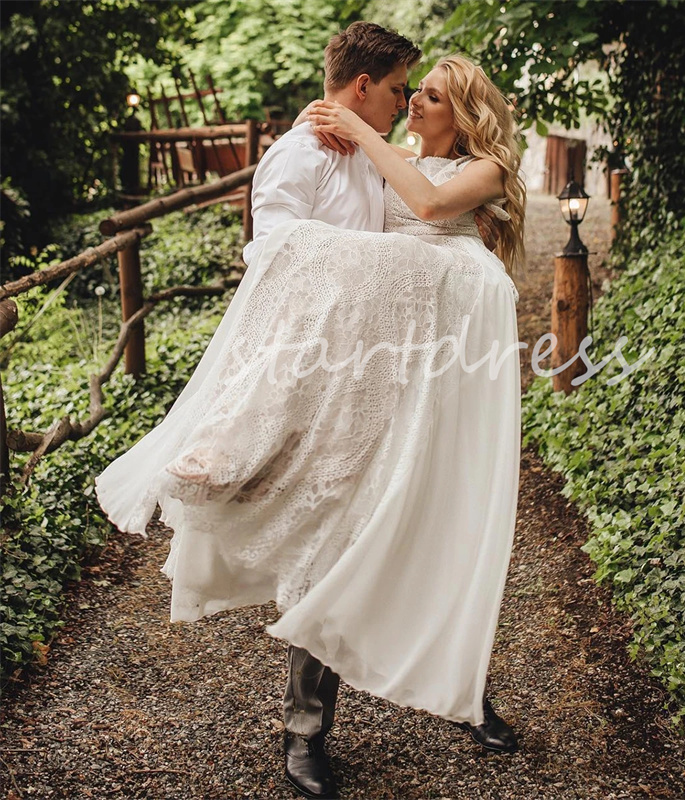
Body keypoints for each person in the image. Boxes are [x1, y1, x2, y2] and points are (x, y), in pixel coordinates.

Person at [94, 22, 525, 800]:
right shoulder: (337, 147)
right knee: (338, 532)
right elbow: (282, 248)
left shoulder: (460, 164)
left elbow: (428, 208)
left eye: (424, 94)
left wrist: (357, 123)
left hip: (440, 365)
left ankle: (463, 688)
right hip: (357, 378)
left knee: (447, 523)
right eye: (404, 89)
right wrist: (340, 127)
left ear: (460, 110)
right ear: (368, 87)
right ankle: (304, 734)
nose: (410, 100)